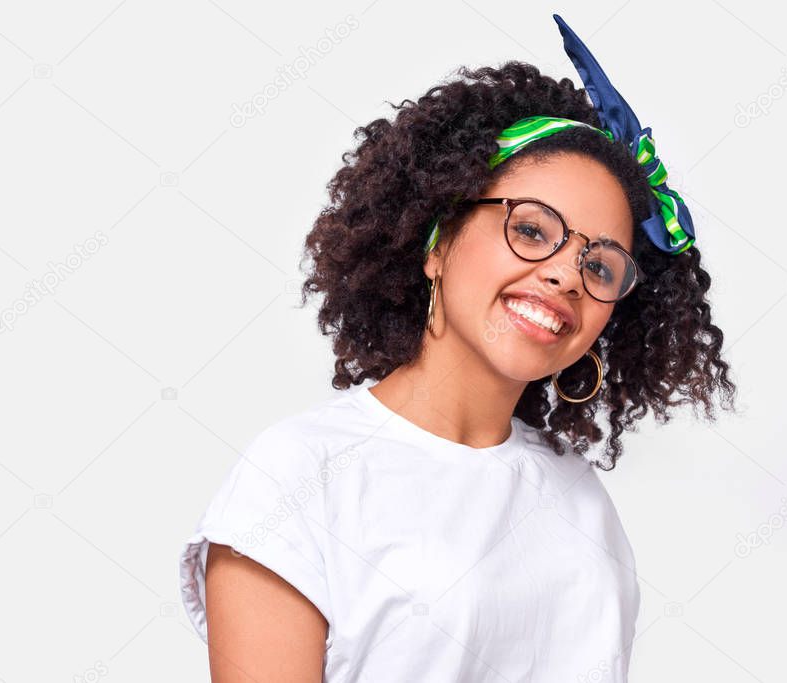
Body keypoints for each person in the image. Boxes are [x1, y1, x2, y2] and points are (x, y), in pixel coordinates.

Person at [179, 14, 736, 682]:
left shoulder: (581, 500)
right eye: (532, 229)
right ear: (436, 241)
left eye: (600, 265)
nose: (565, 273)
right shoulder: (300, 474)